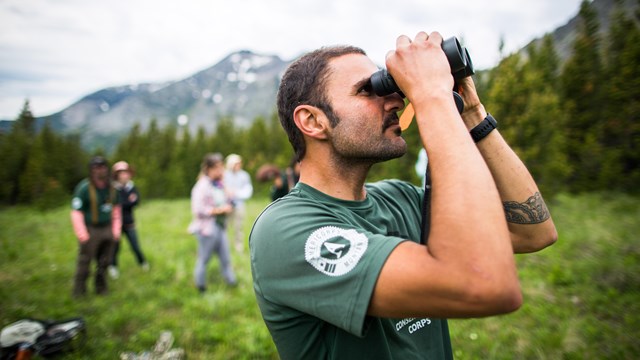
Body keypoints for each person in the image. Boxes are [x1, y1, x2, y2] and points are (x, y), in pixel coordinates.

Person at [249, 31, 557, 359]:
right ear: (312, 121)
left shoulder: (401, 199)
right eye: (369, 90)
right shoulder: (284, 231)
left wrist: (471, 112)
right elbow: (486, 285)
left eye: (393, 88)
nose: (397, 101)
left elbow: (532, 231)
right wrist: (431, 97)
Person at [70, 156, 122, 298]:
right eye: (96, 167)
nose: (100, 170)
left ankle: (101, 288)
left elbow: (116, 210)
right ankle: (79, 292)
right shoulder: (84, 188)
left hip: (107, 228)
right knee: (85, 262)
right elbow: (76, 212)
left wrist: (116, 230)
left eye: (103, 167)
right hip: (91, 229)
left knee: (104, 262)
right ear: (91, 170)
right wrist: (82, 233)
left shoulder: (112, 188)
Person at [188, 153, 237, 292]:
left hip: (221, 227)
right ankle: (201, 286)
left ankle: (231, 282)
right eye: (218, 168)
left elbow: (230, 200)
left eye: (222, 167)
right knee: (204, 259)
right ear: (209, 169)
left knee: (226, 257)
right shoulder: (201, 186)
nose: (221, 171)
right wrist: (219, 210)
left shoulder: (220, 184)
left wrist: (227, 189)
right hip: (207, 229)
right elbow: (198, 210)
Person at [108, 161, 149, 279]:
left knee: (135, 245)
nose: (124, 175)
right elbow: (118, 204)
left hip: (129, 221)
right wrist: (128, 201)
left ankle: (143, 263)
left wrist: (126, 202)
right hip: (116, 223)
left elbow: (136, 201)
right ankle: (113, 266)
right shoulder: (113, 188)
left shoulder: (131, 186)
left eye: (126, 172)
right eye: (122, 173)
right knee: (115, 246)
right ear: (116, 175)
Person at [223, 154, 253, 253]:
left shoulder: (244, 175)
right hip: (225, 206)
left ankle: (238, 247)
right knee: (225, 227)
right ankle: (224, 247)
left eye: (239, 163)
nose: (238, 165)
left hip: (239, 205)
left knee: (238, 227)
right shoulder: (224, 175)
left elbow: (248, 191)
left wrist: (236, 193)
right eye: (236, 163)